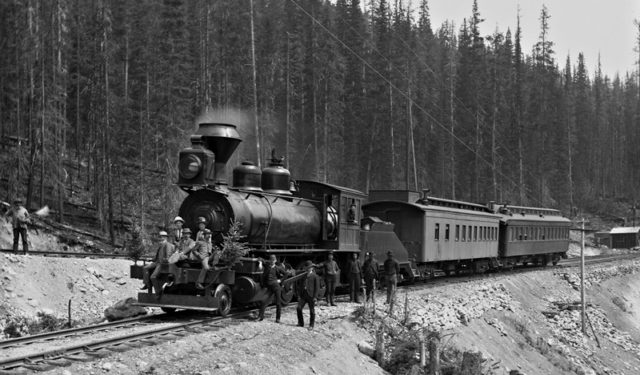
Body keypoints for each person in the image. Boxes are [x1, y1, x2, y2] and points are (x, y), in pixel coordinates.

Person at [141, 231, 175, 298]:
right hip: (157, 262)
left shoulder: (167, 245)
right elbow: (157, 256)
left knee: (153, 277)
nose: (161, 238)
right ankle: (146, 283)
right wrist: (151, 260)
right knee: (145, 268)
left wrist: (164, 261)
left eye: (162, 236)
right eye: (160, 236)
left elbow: (168, 257)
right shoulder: (161, 245)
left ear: (166, 237)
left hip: (162, 264)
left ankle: (158, 291)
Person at [258, 254, 287, 322]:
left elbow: (286, 274)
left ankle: (278, 318)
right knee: (264, 301)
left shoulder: (278, 268)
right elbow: (260, 258)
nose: (272, 261)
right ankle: (260, 317)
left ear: (275, 260)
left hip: (276, 287)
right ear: (269, 260)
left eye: (273, 260)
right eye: (271, 260)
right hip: (269, 287)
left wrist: (280, 280)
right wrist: (260, 262)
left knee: (278, 302)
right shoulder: (267, 266)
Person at [296, 260, 321, 330]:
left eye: (310, 267)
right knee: (298, 308)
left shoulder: (315, 276)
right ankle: (301, 323)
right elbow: (300, 286)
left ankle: (311, 325)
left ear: (312, 268)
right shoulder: (303, 275)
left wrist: (315, 297)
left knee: (312, 311)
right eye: (307, 267)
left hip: (311, 295)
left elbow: (317, 288)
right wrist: (299, 294)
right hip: (304, 295)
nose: (309, 268)